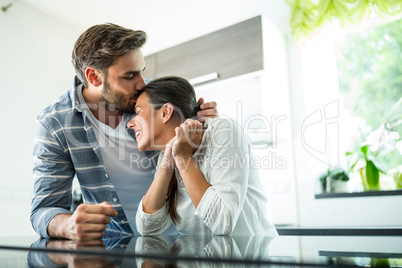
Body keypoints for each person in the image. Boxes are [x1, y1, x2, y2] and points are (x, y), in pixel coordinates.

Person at [31, 23, 218, 241]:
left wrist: (208, 123)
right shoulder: (55, 123)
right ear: (94, 77)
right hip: (117, 247)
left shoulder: (156, 98)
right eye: (129, 76)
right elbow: (44, 209)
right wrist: (67, 226)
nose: (141, 84)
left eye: (141, 72)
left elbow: (201, 156)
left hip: (184, 238)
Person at [127, 76, 277, 236]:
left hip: (248, 255)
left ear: (165, 112)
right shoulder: (165, 156)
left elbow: (223, 224)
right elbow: (147, 228)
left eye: (138, 113)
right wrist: (168, 161)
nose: (130, 124)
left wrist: (184, 159)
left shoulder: (223, 132)